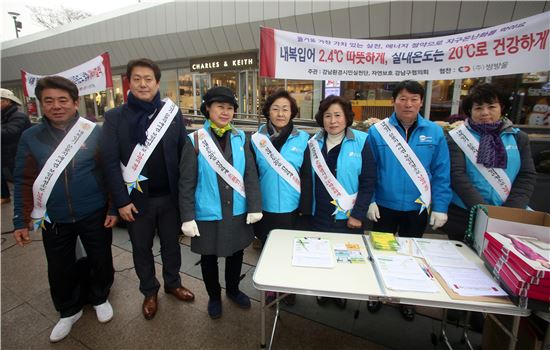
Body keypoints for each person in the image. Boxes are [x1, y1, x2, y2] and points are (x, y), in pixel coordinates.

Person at [12, 76, 116, 342]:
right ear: (41, 105)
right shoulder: (31, 136)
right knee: (59, 266)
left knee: (100, 257)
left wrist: (113, 207)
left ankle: (99, 296)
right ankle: (68, 310)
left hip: (93, 209)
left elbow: (109, 171)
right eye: (49, 101)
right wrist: (20, 220)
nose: (56, 106)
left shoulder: (93, 131)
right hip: (53, 216)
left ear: (74, 102)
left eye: (62, 100)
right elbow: (24, 178)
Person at [101, 58, 194, 321]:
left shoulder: (171, 112)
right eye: (137, 79)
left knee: (171, 246)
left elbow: (182, 151)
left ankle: (173, 283)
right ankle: (149, 291)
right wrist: (119, 202)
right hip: (135, 201)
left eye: (148, 79)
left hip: (169, 198)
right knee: (141, 248)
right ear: (129, 82)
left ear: (156, 82)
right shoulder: (114, 117)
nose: (143, 84)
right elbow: (109, 163)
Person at [367, 80, 451, 320]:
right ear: (394, 101)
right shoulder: (377, 131)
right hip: (383, 206)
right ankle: (378, 293)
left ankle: (407, 297)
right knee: (382, 251)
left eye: (414, 99)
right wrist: (370, 199)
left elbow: (442, 172)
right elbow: (369, 170)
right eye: (403, 98)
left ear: (421, 102)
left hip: (417, 208)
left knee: (411, 255)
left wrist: (441, 206)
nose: (408, 104)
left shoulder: (434, 132)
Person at [179, 86, 262, 319]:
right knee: (208, 257)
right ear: (208, 109)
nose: (225, 112)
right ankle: (214, 296)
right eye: (220, 107)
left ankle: (233, 290)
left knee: (236, 254)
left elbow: (250, 175)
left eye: (229, 108)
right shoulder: (194, 140)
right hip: (208, 211)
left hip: (237, 209)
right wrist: (187, 215)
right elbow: (186, 181)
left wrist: (254, 206)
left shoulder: (240, 138)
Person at [442, 83, 536, 241]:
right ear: (470, 111)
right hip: (466, 214)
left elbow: (526, 175)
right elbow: (457, 175)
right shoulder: (457, 137)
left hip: (508, 215)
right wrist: (483, 212)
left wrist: (509, 212)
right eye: (478, 108)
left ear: (502, 107)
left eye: (491, 106)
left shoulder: (518, 138)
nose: (485, 113)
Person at [309, 95, 377, 309]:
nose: (333, 121)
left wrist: (358, 214)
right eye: (327, 115)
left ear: (347, 117)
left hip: (348, 215)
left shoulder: (362, 140)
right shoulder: (313, 143)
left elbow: (368, 181)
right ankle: (323, 289)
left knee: (346, 256)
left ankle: (341, 292)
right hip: (319, 212)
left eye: (338, 115)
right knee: (322, 254)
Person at [251, 89, 312, 306]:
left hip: (291, 207)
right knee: (267, 248)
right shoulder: (256, 139)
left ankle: (288, 287)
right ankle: (269, 286)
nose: (280, 113)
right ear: (268, 111)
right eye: (275, 108)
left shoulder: (303, 139)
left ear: (292, 112)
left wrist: (305, 208)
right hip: (265, 207)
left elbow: (306, 174)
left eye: (285, 109)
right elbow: (251, 174)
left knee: (290, 249)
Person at [1, 88, 31, 204]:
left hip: (17, 156)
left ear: (7, 101)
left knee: (23, 183)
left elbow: (10, 133)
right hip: (7, 155)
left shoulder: (18, 116)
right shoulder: (4, 116)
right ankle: (5, 196)